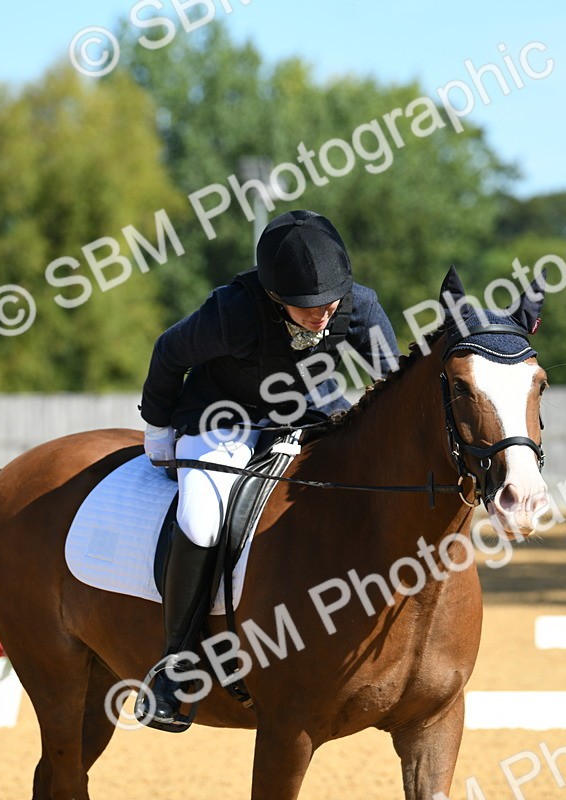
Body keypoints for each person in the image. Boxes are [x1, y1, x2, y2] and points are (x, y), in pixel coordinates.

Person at [135, 209, 399, 730]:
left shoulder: (358, 305)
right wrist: (159, 430)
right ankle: (175, 665)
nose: (322, 315)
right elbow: (169, 353)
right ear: (276, 297)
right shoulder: (232, 311)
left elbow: (390, 383)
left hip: (310, 412)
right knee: (203, 519)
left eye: (329, 303)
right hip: (221, 419)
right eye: (306, 308)